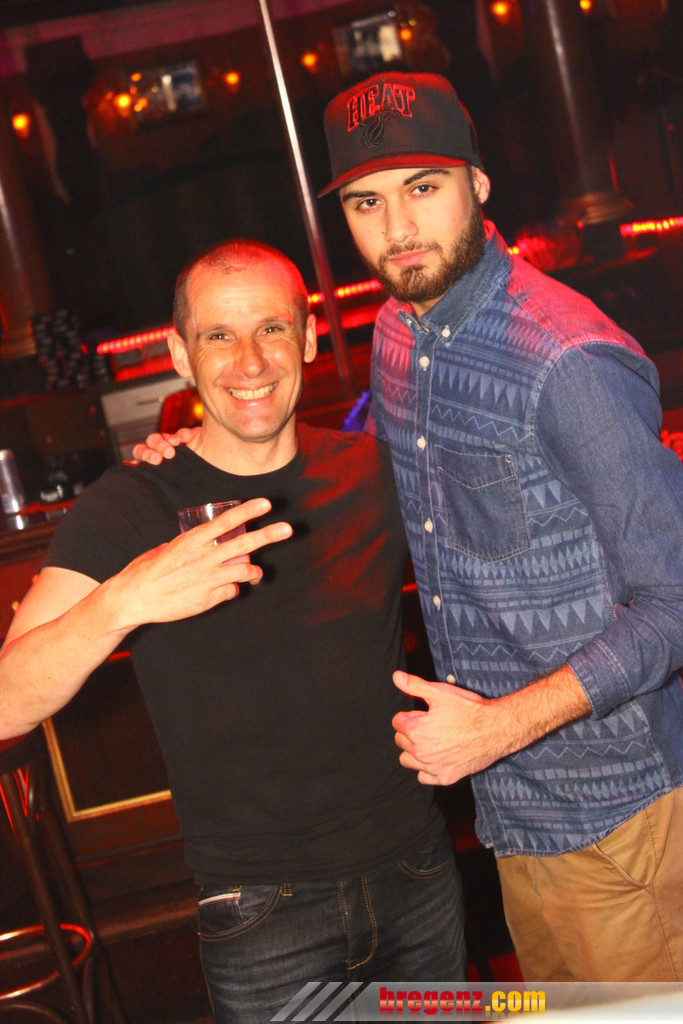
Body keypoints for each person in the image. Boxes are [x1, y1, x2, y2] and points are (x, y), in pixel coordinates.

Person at [139, 71, 683, 984]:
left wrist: (499, 728)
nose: (396, 228)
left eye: (422, 188)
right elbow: (369, 470)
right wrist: (190, 448)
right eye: (366, 202)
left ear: (478, 182)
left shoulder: (567, 358)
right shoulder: (398, 334)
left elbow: (674, 600)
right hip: (513, 815)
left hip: (623, 815)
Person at [0, 239, 467, 1023]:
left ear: (308, 339)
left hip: (415, 872)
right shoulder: (132, 505)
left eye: (271, 329)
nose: (249, 361)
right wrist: (124, 600)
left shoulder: (373, 472)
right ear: (181, 354)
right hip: (262, 910)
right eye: (218, 335)